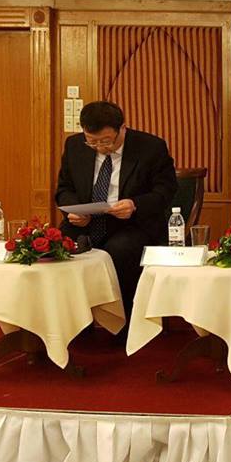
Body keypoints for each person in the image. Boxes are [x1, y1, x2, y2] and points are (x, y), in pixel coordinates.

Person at [56, 101, 178, 332]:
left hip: (133, 224)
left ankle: (122, 325)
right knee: (58, 248)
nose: (99, 147)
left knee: (120, 250)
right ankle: (72, 324)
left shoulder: (151, 147)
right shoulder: (74, 145)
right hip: (86, 222)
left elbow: (166, 191)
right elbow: (64, 189)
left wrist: (135, 204)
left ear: (122, 128)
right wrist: (75, 210)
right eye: (92, 141)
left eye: (106, 141)